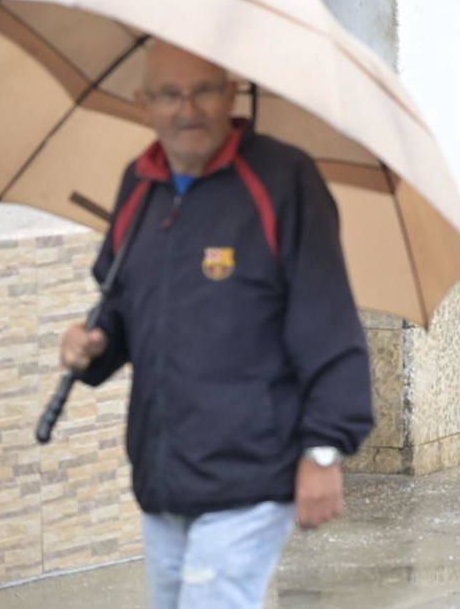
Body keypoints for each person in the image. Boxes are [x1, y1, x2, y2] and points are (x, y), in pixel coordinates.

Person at [59, 41, 374, 609]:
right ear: (143, 104)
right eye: (170, 94)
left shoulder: (282, 179)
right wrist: (94, 347)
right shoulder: (141, 182)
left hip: (251, 472)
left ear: (232, 94)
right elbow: (123, 305)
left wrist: (324, 450)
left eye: (204, 90)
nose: (188, 109)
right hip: (164, 474)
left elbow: (329, 322)